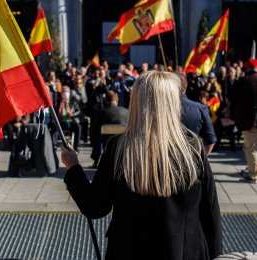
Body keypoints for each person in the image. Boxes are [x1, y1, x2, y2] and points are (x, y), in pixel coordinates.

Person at [61, 71, 223, 259]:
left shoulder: (119, 148)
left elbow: (95, 207)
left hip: (128, 251)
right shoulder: (193, 148)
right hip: (185, 252)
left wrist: (74, 168)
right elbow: (211, 214)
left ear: (136, 102)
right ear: (173, 103)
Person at [178, 73, 217, 154]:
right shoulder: (200, 108)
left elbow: (211, 139)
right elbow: (211, 140)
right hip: (194, 158)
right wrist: (201, 159)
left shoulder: (161, 108)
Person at [89, 89, 129, 167]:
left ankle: (96, 159)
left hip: (105, 141)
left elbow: (94, 128)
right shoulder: (126, 111)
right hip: (122, 140)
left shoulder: (101, 112)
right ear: (117, 100)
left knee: (95, 132)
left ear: (105, 100)